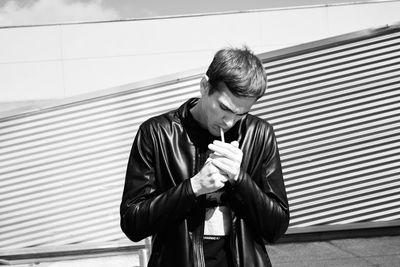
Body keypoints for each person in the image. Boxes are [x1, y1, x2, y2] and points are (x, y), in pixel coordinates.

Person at [120, 46, 290, 267]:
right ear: (204, 86)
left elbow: (276, 227)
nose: (229, 121)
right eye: (223, 108)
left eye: (241, 114)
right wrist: (194, 186)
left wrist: (240, 179)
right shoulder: (157, 133)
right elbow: (133, 223)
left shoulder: (259, 133)